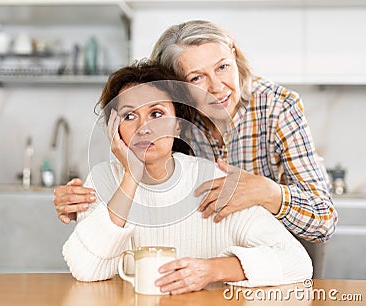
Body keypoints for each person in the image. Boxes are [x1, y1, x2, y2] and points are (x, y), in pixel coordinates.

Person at [54, 20, 337, 245]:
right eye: (197, 78)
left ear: (234, 57)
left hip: (283, 247)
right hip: (209, 254)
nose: (217, 86)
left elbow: (324, 221)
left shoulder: (278, 107)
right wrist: (87, 202)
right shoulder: (171, 119)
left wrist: (267, 192)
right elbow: (141, 184)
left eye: (223, 67)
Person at [62, 61, 312, 294]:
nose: (144, 128)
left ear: (178, 126)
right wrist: (131, 175)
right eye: (129, 116)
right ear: (114, 130)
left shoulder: (212, 181)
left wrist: (212, 270)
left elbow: (297, 261)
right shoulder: (103, 180)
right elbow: (87, 269)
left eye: (157, 114)